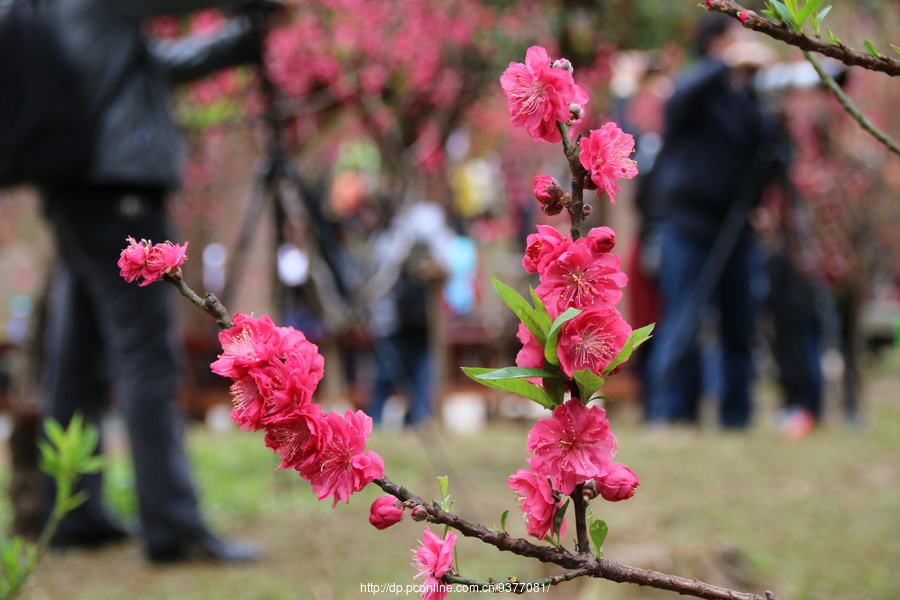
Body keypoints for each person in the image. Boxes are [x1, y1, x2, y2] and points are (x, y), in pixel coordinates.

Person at [38, 0, 268, 563]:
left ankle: (72, 514)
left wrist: (236, 43)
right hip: (119, 186)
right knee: (146, 357)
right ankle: (172, 527)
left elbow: (151, 63)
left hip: (76, 184)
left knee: (77, 356)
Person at [645, 15, 782, 429]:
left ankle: (736, 415)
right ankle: (672, 412)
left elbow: (768, 150)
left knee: (739, 327)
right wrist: (728, 62)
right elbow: (680, 97)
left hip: (738, 227)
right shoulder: (693, 92)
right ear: (715, 45)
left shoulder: (748, 100)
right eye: (734, 39)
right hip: (688, 224)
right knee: (684, 320)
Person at [363, 198, 453, 427]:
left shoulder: (414, 244)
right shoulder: (394, 244)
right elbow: (380, 282)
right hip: (395, 322)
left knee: (415, 375)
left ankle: (415, 421)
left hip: (414, 322)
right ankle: (379, 421)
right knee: (390, 374)